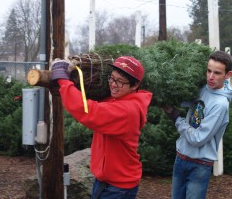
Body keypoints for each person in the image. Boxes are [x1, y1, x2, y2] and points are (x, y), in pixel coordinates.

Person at [51, 56, 152, 199]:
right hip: (107, 182)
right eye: (112, 78)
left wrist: (63, 80)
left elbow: (87, 110)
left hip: (118, 188)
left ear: (135, 86)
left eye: (120, 82)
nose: (113, 84)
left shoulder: (127, 110)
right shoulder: (118, 98)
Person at [164, 50, 232, 199]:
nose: (211, 77)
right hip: (180, 158)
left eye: (217, 73)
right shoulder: (201, 88)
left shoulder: (220, 104)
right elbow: (181, 100)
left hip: (199, 166)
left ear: (228, 75)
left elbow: (198, 138)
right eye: (208, 71)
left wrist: (175, 117)